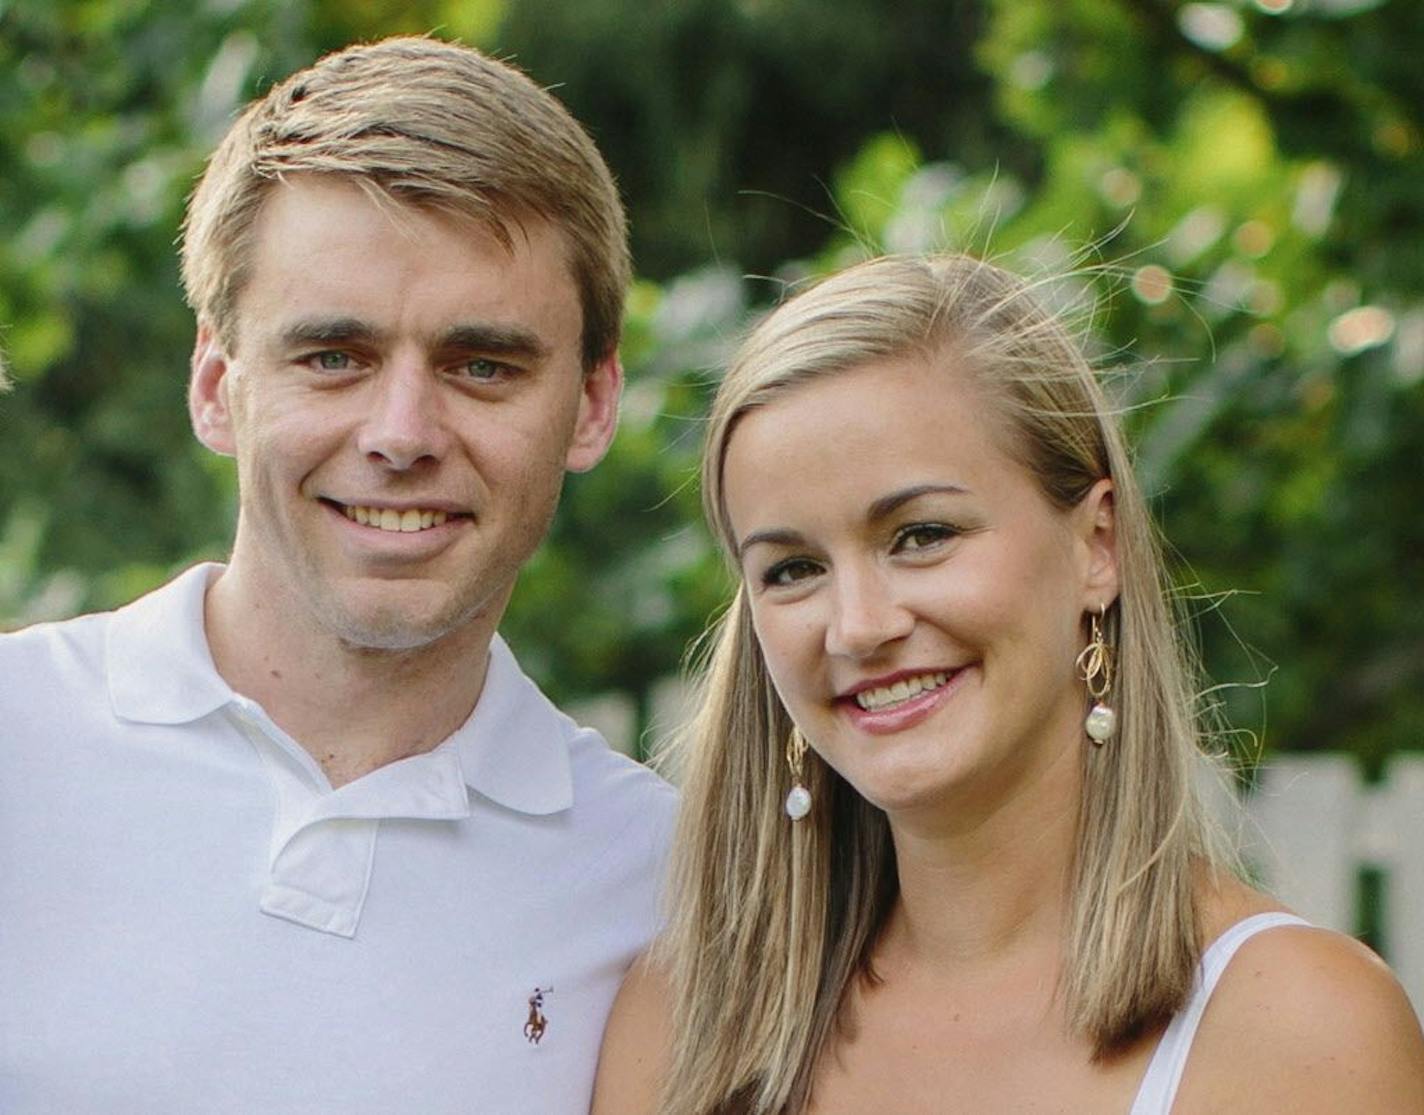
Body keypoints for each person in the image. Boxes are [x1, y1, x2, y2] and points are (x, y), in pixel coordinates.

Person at [0, 37, 675, 1113]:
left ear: (592, 404)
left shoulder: (661, 884)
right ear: (219, 386)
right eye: (333, 355)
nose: (401, 432)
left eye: (481, 364)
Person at [591, 253, 1424, 1113]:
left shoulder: (1295, 1030)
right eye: (793, 568)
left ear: (1095, 545)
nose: (859, 624)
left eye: (921, 534)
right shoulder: (680, 1029)